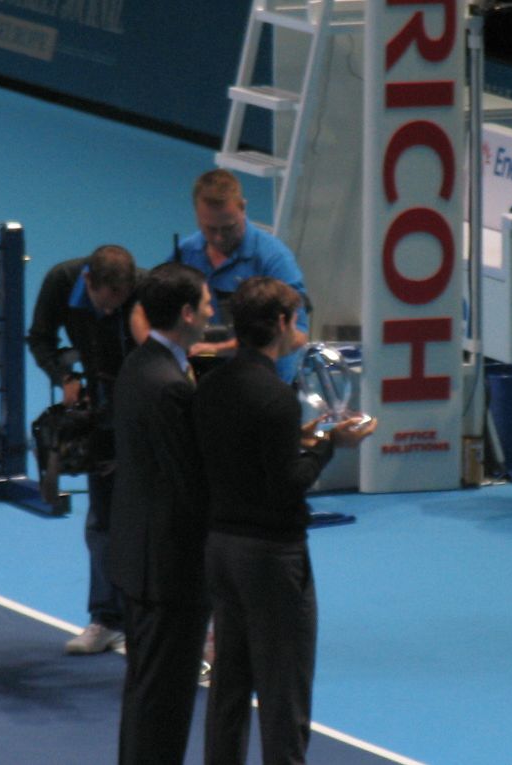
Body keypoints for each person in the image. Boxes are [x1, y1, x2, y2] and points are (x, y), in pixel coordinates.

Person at [193, 277, 376, 765]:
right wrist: (331, 445)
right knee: (283, 694)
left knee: (229, 684)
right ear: (279, 323)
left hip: (221, 550)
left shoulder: (210, 386)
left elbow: (243, 454)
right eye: (295, 318)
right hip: (272, 560)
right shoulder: (274, 397)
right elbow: (288, 482)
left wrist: (304, 437)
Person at [106, 263, 214, 764]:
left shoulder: (138, 364)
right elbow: (189, 482)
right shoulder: (172, 385)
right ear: (187, 313)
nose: (214, 310)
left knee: (146, 697)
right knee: (164, 705)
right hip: (168, 571)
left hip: (138, 560)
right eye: (208, 303)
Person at [27, 244, 142, 653]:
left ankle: (142, 621)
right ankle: (107, 620)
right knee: (102, 520)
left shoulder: (143, 291)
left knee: (142, 520)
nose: (111, 311)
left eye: (119, 303)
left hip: (143, 410)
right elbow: (39, 338)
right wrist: (65, 375)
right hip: (99, 411)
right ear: (88, 282)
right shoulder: (61, 281)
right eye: (104, 303)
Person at [131, 168, 311, 383]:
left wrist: (216, 350)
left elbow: (298, 336)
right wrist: (159, 355)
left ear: (243, 207)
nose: (218, 238)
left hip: (261, 384)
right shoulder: (185, 252)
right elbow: (141, 311)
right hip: (206, 382)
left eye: (228, 228)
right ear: (197, 215)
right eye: (209, 229)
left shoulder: (275, 260)